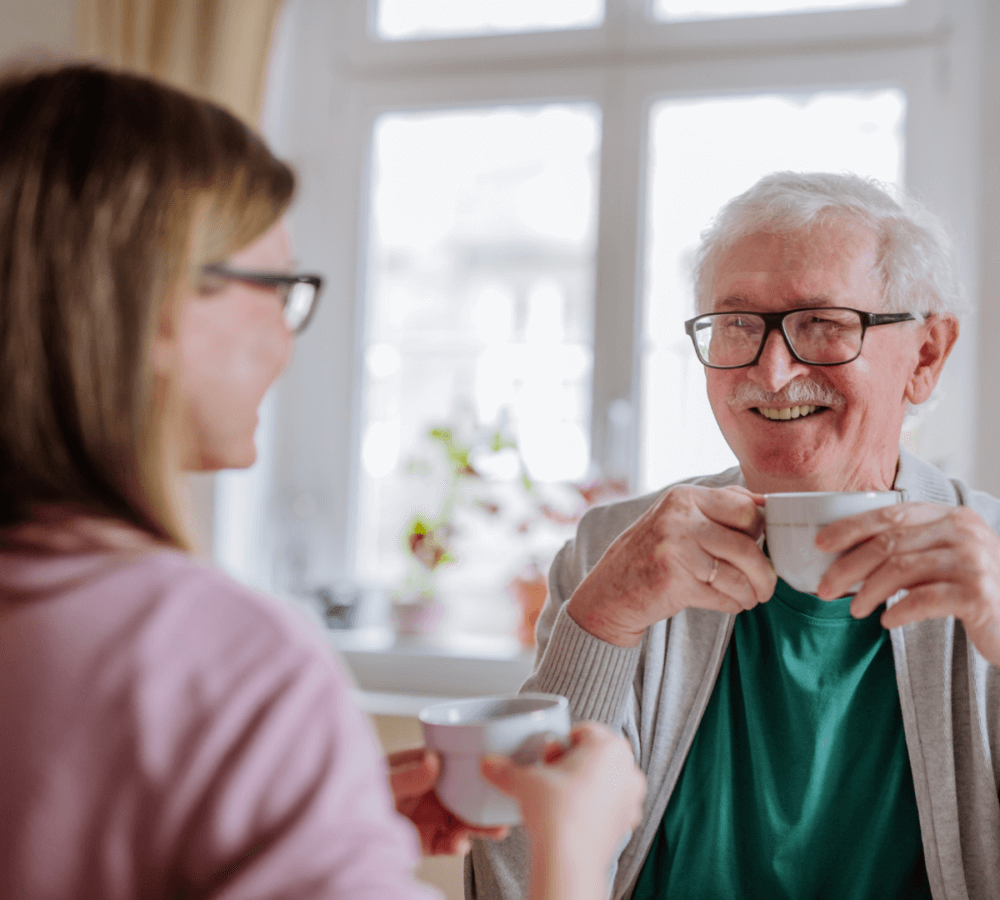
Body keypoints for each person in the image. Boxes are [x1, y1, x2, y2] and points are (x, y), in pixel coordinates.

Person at [0, 63, 645, 900]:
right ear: (153, 307)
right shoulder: (222, 664)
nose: (287, 337)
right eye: (277, 289)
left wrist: (313, 821)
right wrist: (574, 853)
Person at [469, 171, 1000, 900]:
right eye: (739, 325)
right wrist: (600, 623)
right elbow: (511, 885)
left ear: (927, 355)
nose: (773, 372)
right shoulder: (616, 552)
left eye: (822, 324)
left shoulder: (991, 569)